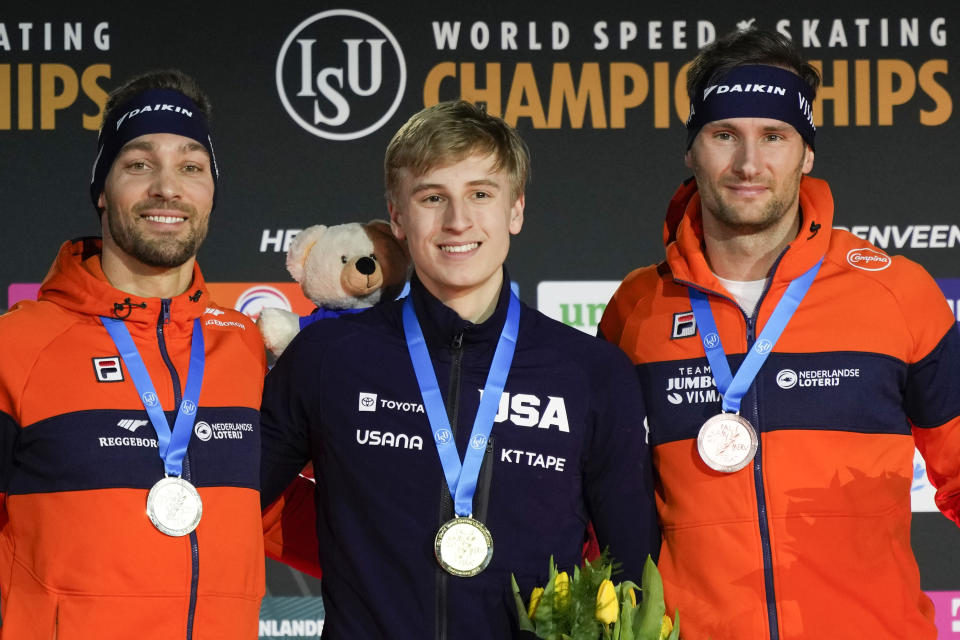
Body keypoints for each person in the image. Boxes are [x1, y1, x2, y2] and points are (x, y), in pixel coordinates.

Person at [599, 28, 960, 640]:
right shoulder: (637, 309)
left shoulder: (897, 293)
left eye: (774, 136)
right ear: (692, 150)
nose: (748, 164)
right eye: (724, 135)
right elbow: (595, 508)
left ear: (806, 153)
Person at [260, 100, 659, 638]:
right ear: (397, 217)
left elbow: (633, 581)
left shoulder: (591, 373)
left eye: (480, 193)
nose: (457, 221)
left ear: (515, 209)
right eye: (432, 198)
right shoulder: (330, 356)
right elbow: (228, 504)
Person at [0, 70, 270, 639]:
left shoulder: (246, 344)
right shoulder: (16, 347)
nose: (167, 188)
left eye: (191, 167)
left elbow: (298, 517)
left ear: (212, 192)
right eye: (139, 164)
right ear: (102, 188)